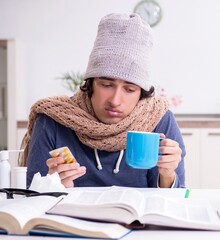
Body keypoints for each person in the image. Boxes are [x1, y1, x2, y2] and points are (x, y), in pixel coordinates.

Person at [20, 13, 185, 189]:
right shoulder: (52, 120)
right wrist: (54, 187)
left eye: (129, 89)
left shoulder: (158, 118)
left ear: (141, 94)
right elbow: (30, 194)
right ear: (91, 83)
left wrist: (167, 175)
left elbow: (174, 199)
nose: (115, 100)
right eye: (106, 85)